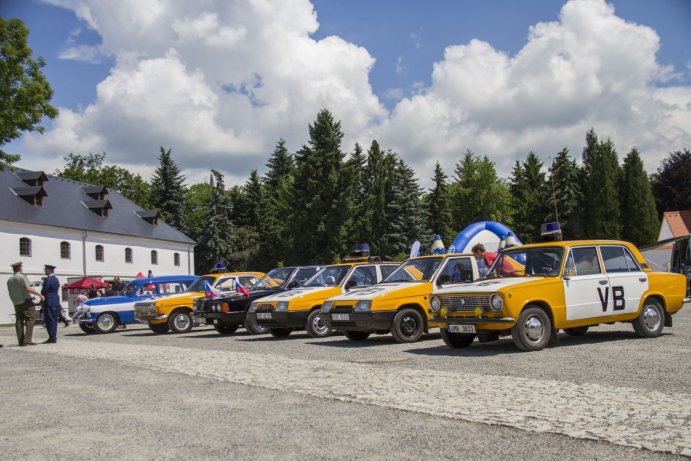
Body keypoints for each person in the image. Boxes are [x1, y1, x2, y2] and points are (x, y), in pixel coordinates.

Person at [6, 262, 44, 346]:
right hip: (26, 301)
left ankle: (21, 341)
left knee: (19, 321)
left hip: (16, 302)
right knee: (30, 319)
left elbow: (10, 292)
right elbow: (28, 288)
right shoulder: (22, 277)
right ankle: (27, 340)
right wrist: (39, 295)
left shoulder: (9, 280)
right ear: (20, 268)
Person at [41, 264, 61, 344]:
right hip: (55, 301)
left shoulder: (48, 280)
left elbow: (44, 291)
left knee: (49, 320)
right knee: (54, 320)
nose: (45, 271)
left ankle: (52, 337)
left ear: (49, 270)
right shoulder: (56, 279)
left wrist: (42, 300)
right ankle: (53, 336)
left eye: (45, 269)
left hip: (49, 301)